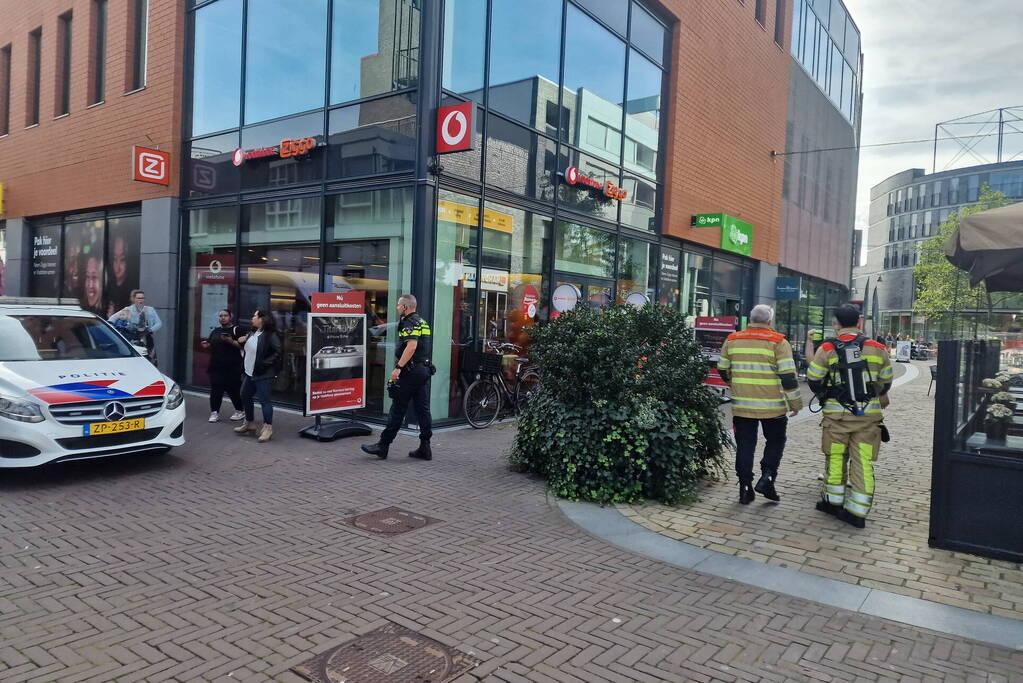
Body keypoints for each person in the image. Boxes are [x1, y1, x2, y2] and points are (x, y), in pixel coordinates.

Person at [807, 304, 894, 529]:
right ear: (859, 323)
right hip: (869, 417)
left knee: (835, 457)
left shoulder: (827, 348)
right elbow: (886, 382)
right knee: (863, 461)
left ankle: (832, 502)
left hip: (837, 417)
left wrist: (828, 394)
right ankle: (857, 512)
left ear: (836, 324)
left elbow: (814, 379)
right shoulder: (878, 347)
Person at [717, 304, 803, 504]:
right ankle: (768, 477)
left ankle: (745, 488)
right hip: (772, 407)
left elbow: (722, 369)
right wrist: (795, 403)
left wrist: (735, 383)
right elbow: (788, 377)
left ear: (750, 320)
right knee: (775, 441)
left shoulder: (732, 339)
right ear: (769, 322)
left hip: (742, 406)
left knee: (745, 445)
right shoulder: (779, 342)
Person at [361, 294, 433, 461]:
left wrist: (398, 368)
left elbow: (412, 345)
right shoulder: (422, 321)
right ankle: (425, 447)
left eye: (399, 305)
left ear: (405, 307)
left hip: (411, 371)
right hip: (423, 370)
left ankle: (383, 446)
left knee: (398, 408)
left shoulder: (409, 322)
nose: (397, 307)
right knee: (423, 409)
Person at [234, 310, 282, 443]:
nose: (252, 318)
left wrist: (263, 364)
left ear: (262, 319)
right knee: (244, 395)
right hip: (249, 372)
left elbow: (278, 352)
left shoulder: (270, 335)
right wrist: (242, 340)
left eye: (254, 316)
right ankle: (249, 423)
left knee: (264, 401)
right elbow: (251, 348)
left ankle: (268, 429)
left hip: (262, 374)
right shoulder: (253, 332)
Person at [200, 309, 245, 423]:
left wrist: (230, 341)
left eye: (225, 315)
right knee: (216, 390)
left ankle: (240, 411)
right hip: (216, 366)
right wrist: (207, 344)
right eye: (220, 316)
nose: (223, 318)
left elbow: (243, 347)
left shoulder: (237, 330)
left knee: (233, 390)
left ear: (231, 317)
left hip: (233, 366)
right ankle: (214, 412)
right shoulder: (216, 331)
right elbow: (212, 343)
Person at [109, 290, 162, 366]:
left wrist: (150, 330)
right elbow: (112, 319)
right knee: (134, 361)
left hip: (147, 337)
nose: (141, 300)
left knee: (151, 361)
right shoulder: (128, 309)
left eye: (142, 298)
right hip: (133, 338)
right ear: (133, 299)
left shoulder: (150, 310)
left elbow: (159, 323)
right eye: (138, 298)